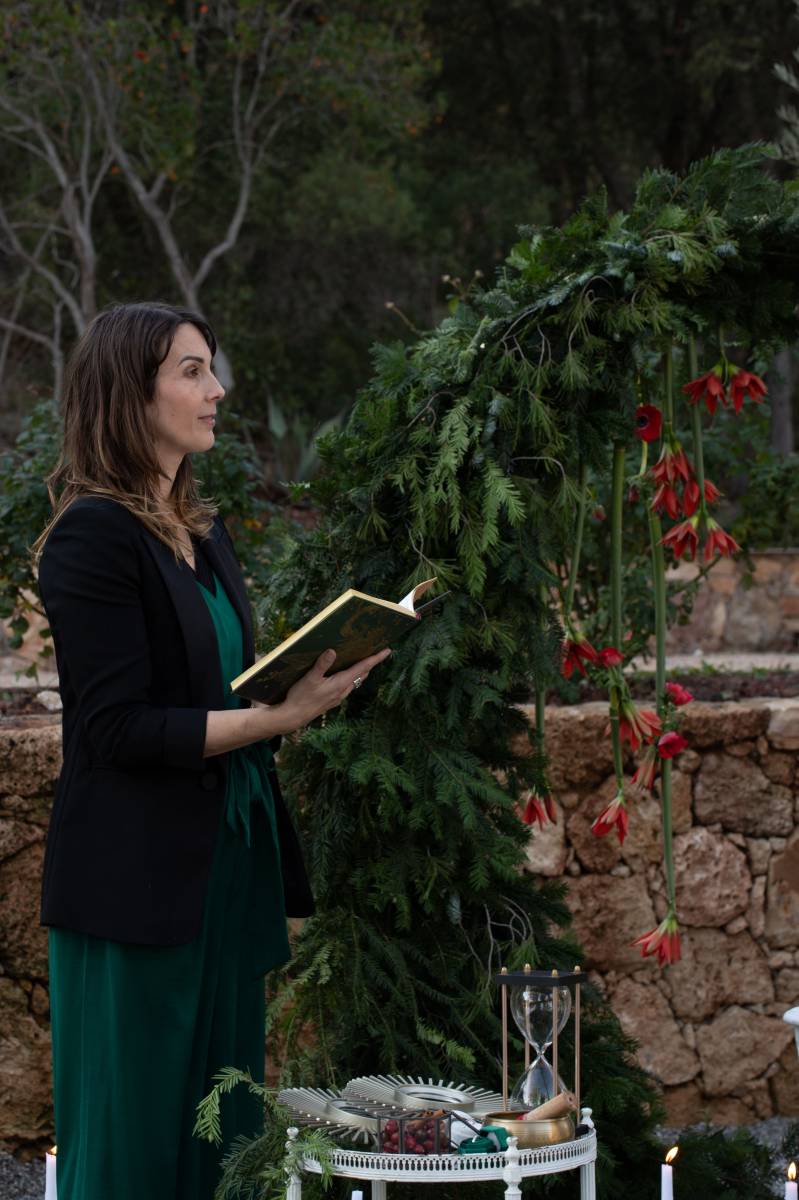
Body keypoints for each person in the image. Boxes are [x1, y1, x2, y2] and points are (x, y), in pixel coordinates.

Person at [35, 302, 390, 1200]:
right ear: (129, 391)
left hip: (226, 863)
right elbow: (115, 729)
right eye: (190, 371)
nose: (216, 390)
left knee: (226, 1133)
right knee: (134, 1141)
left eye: (210, 368)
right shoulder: (90, 535)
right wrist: (279, 718)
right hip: (134, 882)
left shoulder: (200, 529)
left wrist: (313, 673)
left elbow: (216, 690)